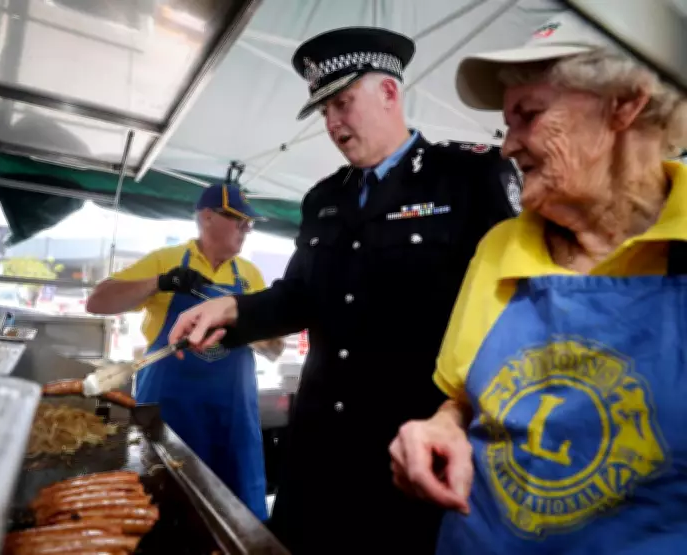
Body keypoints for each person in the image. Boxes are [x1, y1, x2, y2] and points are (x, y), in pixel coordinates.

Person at [166, 27, 523, 554]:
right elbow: (298, 297)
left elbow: (516, 308)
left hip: (410, 454)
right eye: (323, 111)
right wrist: (233, 309)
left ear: (389, 93)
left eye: (342, 103)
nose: (332, 124)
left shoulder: (469, 177)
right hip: (317, 455)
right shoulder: (324, 198)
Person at [388, 12, 687, 555]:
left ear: (624, 102)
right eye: (508, 122)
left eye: (528, 115)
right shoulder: (501, 246)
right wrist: (440, 425)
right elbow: (460, 400)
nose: (507, 146)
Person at [86, 182, 284, 521]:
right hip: (168, 412)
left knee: (233, 512)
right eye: (239, 220)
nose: (247, 229)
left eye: (250, 224)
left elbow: (276, 349)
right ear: (207, 217)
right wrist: (160, 283)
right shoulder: (167, 260)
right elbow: (97, 301)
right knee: (161, 505)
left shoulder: (250, 276)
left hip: (231, 417)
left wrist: (242, 326)